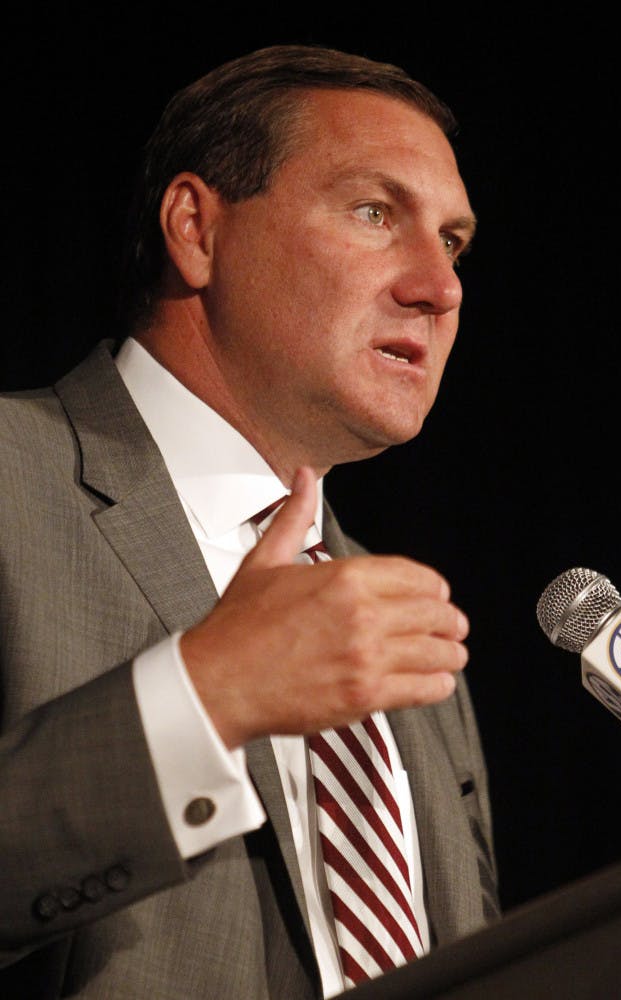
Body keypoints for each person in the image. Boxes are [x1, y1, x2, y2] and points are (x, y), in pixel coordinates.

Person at [0, 45, 498, 998]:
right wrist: (204, 694)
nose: (439, 287)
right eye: (373, 211)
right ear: (196, 228)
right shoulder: (15, 482)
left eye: (454, 242)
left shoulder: (392, 625)